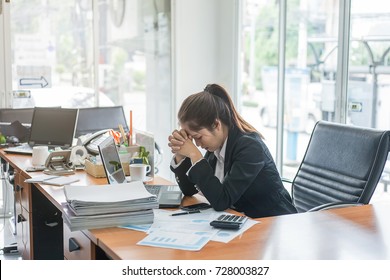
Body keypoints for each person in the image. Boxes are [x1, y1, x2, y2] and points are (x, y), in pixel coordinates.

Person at [168, 84, 297, 218]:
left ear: (216, 125)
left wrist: (194, 154)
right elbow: (190, 190)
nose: (198, 144)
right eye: (191, 139)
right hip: (242, 219)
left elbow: (222, 200)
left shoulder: (250, 147)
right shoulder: (217, 145)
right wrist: (180, 154)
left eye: (198, 137)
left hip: (273, 222)